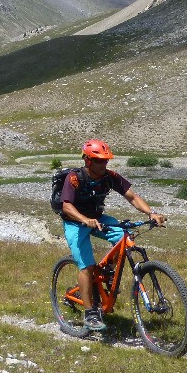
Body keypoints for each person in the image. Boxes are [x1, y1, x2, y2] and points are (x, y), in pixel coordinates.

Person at [58, 139, 166, 331]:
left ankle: (107, 272)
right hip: (76, 222)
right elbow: (66, 206)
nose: (104, 164)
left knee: (124, 236)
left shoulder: (110, 177)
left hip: (98, 218)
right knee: (86, 266)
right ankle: (90, 313)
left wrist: (151, 213)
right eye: (100, 161)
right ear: (88, 161)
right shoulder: (74, 178)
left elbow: (132, 196)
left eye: (106, 161)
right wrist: (84, 220)